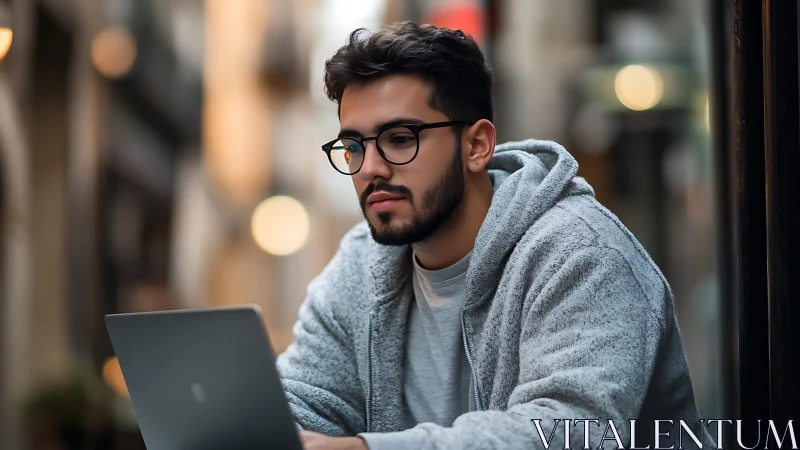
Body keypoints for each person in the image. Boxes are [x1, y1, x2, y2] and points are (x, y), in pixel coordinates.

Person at [277, 22, 714, 450]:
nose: (370, 167)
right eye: (354, 146)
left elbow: (568, 432)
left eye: (399, 138)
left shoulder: (581, 255)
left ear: (476, 146)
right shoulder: (359, 266)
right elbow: (300, 407)